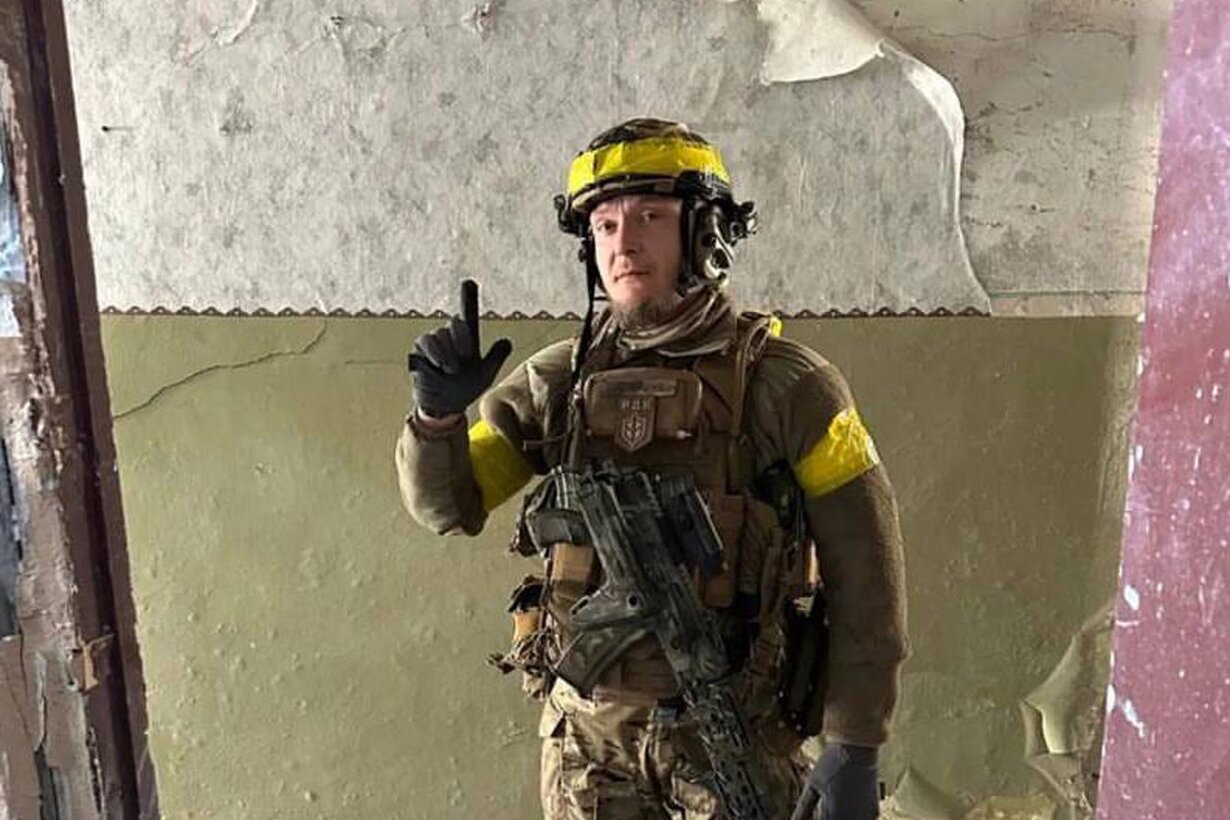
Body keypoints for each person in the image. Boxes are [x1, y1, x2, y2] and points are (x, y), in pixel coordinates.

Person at [396, 118, 908, 819]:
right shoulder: (558, 381)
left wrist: (856, 742)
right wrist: (436, 421)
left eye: (650, 218)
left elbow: (867, 570)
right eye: (604, 226)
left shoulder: (788, 385)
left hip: (734, 739)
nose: (623, 243)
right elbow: (448, 505)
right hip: (587, 749)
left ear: (706, 234)